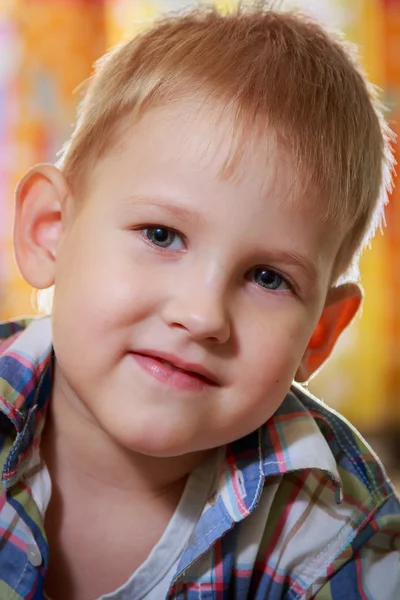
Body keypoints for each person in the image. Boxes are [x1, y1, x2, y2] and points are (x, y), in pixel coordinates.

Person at [1, 3, 399, 599]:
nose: (203, 315)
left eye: (267, 277)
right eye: (162, 236)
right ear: (50, 229)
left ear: (317, 335)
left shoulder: (336, 530)